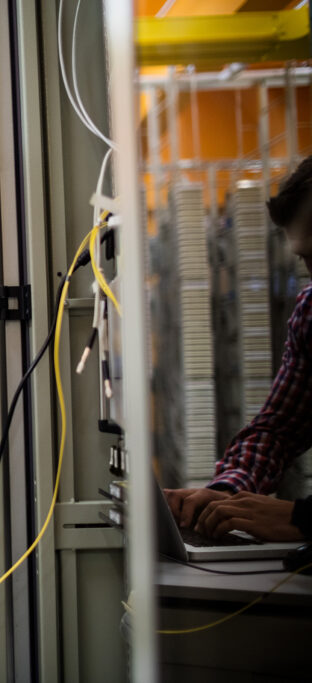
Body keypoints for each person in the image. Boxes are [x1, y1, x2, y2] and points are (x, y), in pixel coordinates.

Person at [166, 156, 312, 543]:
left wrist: (303, 519)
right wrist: (223, 492)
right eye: (305, 259)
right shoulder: (311, 313)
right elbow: (279, 429)